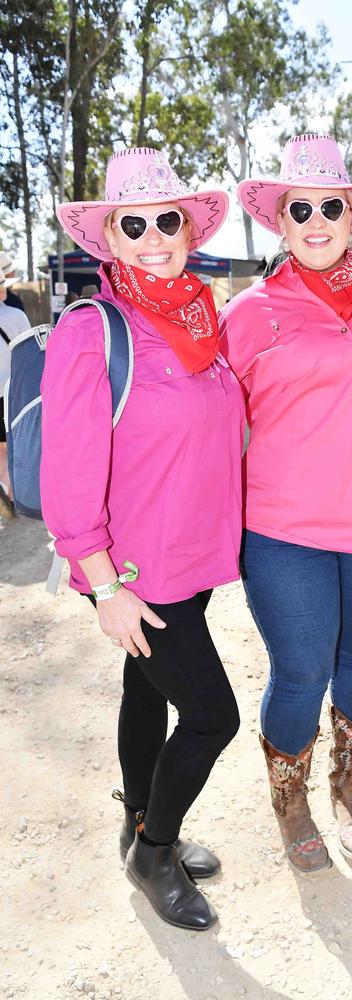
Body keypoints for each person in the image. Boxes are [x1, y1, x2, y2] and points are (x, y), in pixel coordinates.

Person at [41, 147, 243, 931]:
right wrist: (103, 586)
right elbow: (70, 473)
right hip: (136, 569)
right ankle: (153, 850)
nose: (156, 235)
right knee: (212, 717)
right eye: (136, 223)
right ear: (112, 240)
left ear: (188, 232)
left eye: (169, 220)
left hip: (190, 556)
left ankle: (138, 820)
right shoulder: (94, 329)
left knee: (144, 692)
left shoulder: (201, 322)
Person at [220, 134, 352, 875]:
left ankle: (349, 785)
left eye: (330, 205)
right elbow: (210, 423)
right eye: (298, 207)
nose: (314, 218)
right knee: (302, 669)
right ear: (280, 218)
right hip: (282, 528)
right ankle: (290, 799)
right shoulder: (246, 311)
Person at [0, 268, 31, 515]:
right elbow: (27, 353)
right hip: (11, 391)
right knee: (11, 444)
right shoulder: (16, 315)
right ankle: (12, 493)